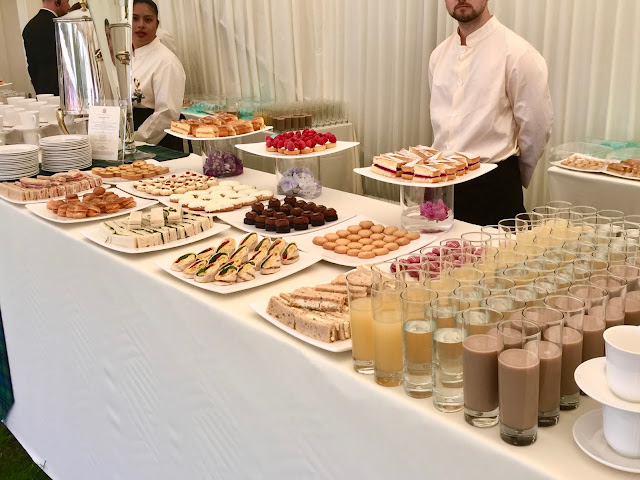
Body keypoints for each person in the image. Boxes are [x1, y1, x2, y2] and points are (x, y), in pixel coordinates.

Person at [428, 0, 553, 226]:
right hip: (441, 187)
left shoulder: (518, 53)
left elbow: (537, 127)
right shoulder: (438, 55)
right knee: (434, 259)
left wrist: (511, 174)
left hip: (493, 190)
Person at [131, 0, 186, 150]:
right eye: (135, 18)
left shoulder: (167, 61)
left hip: (157, 140)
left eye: (148, 20)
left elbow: (166, 113)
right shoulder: (127, 57)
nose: (140, 24)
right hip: (130, 135)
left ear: (157, 24)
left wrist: (137, 139)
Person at [22, 0, 71, 95]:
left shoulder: (29, 27)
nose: (69, 6)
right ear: (58, 2)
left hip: (40, 88)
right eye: (67, 1)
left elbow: (32, 64)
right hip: (63, 89)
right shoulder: (59, 25)